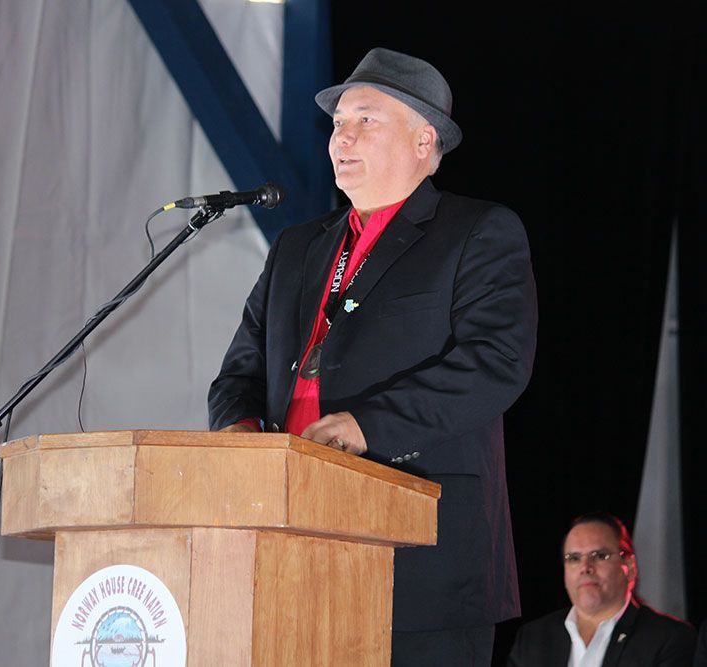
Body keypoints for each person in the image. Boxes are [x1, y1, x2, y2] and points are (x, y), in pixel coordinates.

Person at [208, 47, 538, 666]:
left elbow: (496, 362)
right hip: (286, 546)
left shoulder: (477, 232)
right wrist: (239, 433)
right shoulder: (297, 247)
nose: (342, 137)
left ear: (424, 138)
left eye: (365, 120)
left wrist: (366, 426)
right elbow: (240, 371)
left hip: (421, 559)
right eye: (337, 124)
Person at [507, 512, 697, 666]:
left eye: (599, 556)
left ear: (629, 567)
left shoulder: (669, 639)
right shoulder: (533, 638)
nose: (585, 567)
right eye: (574, 558)